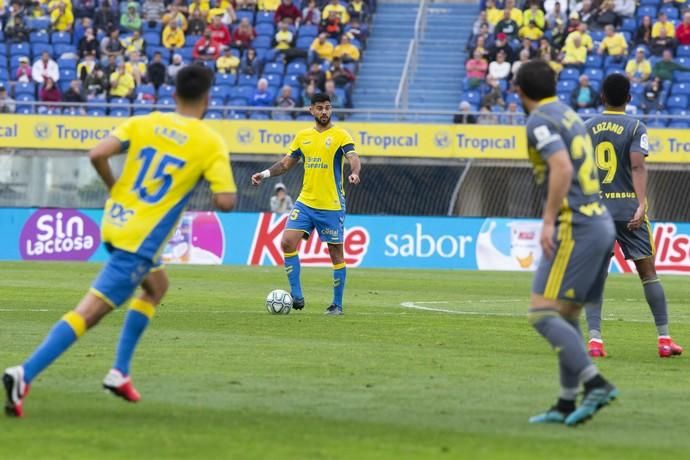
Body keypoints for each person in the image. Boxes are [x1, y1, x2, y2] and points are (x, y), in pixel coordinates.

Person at [3, 65, 237, 418]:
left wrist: (115, 188)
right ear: (207, 99)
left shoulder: (145, 122)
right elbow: (226, 202)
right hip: (141, 240)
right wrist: (199, 176)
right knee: (90, 313)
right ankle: (24, 373)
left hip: (116, 222)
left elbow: (97, 154)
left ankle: (120, 371)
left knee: (156, 286)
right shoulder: (210, 142)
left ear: (173, 95)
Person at [515, 59, 618, 427]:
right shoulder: (569, 114)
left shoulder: (539, 120)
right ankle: (564, 402)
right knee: (567, 315)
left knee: (542, 313)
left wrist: (547, 221)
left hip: (576, 226)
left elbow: (561, 166)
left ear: (519, 92)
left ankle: (595, 382)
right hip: (599, 222)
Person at [583, 74, 683, 359]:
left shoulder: (586, 127)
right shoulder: (636, 126)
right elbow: (637, 166)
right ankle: (664, 340)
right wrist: (641, 204)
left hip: (597, 213)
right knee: (648, 274)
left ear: (601, 96)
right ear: (629, 97)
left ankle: (595, 342)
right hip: (629, 212)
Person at [251, 93, 361, 316]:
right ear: (311, 110)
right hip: (305, 202)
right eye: (319, 108)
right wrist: (264, 174)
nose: (324, 112)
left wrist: (355, 172)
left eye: (327, 108)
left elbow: (353, 156)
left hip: (331, 205)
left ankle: (336, 305)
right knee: (287, 243)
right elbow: (285, 164)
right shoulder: (303, 136)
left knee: (335, 253)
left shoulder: (340, 135)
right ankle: (297, 296)